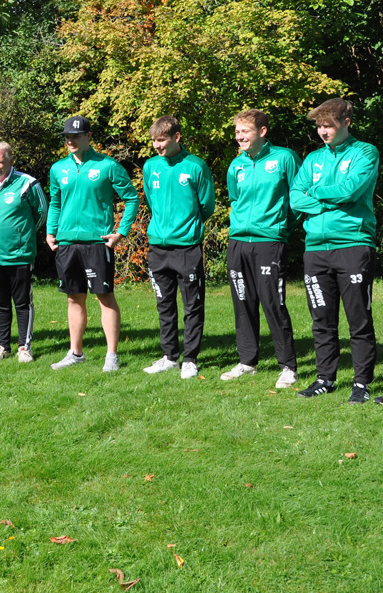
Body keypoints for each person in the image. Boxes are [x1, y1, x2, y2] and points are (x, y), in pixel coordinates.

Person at [289, 98, 379, 403]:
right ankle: (325, 378)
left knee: (358, 320)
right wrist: (327, 198)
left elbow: (351, 190)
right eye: (319, 126)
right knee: (322, 321)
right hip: (316, 249)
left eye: (329, 125)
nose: (323, 132)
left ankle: (362, 383)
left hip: (353, 245)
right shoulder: (313, 160)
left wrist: (314, 194)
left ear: (346, 123)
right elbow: (294, 198)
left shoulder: (365, 152)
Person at [45, 115, 140, 372]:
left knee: (104, 297)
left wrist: (120, 232)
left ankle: (111, 356)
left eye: (76, 136)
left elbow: (132, 199)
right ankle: (76, 353)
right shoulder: (58, 169)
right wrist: (50, 231)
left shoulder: (108, 166)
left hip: (97, 243)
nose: (71, 141)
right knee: (74, 299)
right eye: (67, 137)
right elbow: (55, 202)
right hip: (66, 244)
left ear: (89, 137)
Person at [221, 110, 301, 388]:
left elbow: (298, 199)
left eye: (245, 131)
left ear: (262, 131)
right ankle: (247, 361)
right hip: (239, 242)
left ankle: (288, 366)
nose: (240, 137)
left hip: (270, 242)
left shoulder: (284, 158)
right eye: (237, 132)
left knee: (272, 302)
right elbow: (235, 199)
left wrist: (281, 229)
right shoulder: (236, 165)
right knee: (242, 301)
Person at [142, 116, 215, 378]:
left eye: (161, 140)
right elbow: (151, 201)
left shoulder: (196, 166)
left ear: (177, 138)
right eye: (153, 141)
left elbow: (206, 206)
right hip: (158, 248)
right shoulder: (150, 167)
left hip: (187, 247)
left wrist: (186, 226)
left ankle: (190, 359)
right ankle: (170, 356)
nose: (156, 146)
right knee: (164, 304)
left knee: (192, 305)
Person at [0, 142, 48, 362]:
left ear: (11, 161)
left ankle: (24, 348)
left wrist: (21, 236)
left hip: (19, 255)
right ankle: (2, 346)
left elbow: (41, 213)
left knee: (22, 302)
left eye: (0, 161)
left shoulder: (28, 183)